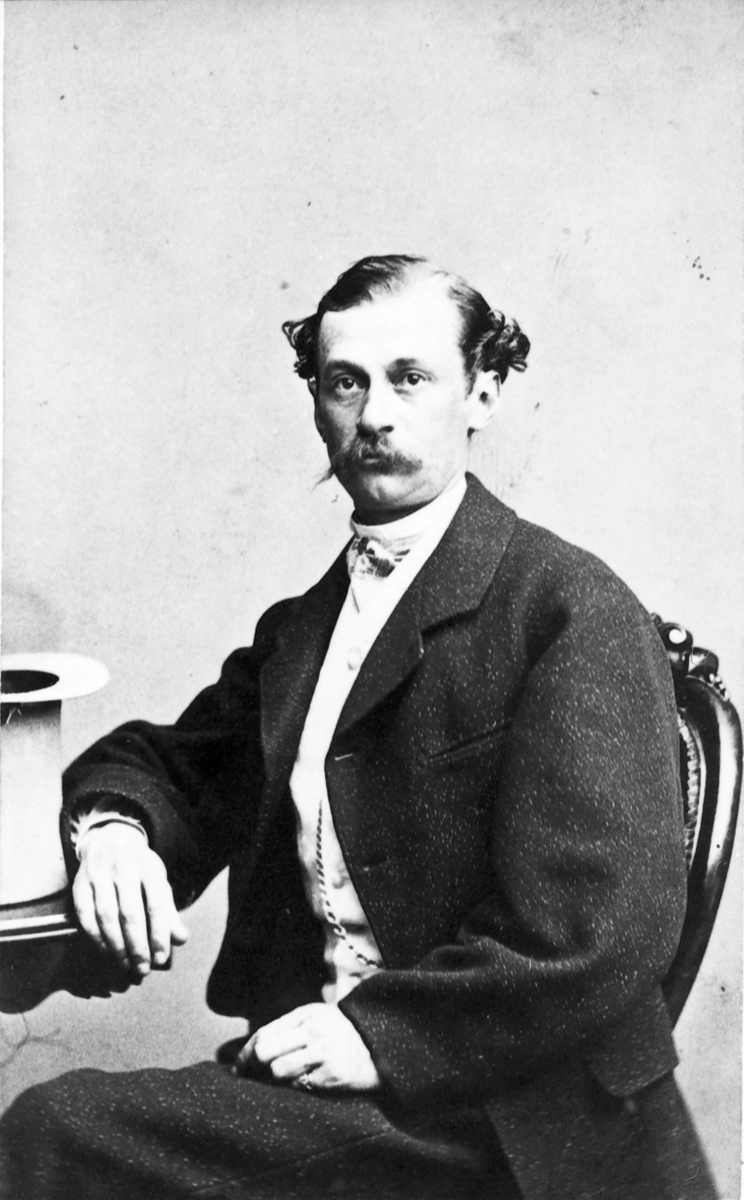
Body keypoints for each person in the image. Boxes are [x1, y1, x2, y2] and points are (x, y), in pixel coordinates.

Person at [0, 255, 716, 1199]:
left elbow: (597, 931)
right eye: (346, 382)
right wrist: (115, 832)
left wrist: (377, 1035)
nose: (374, 413)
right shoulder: (308, 627)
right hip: (345, 1092)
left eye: (410, 378)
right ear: (316, 402)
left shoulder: (568, 609)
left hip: (515, 1123)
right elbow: (175, 766)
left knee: (52, 1133)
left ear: (483, 393)